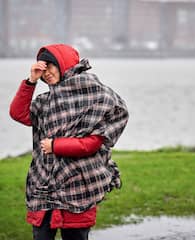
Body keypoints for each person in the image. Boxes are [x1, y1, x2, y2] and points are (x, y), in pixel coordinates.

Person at [9, 44, 129, 240]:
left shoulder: (95, 94)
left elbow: (92, 144)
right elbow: (18, 113)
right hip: (44, 185)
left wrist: (55, 145)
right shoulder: (46, 101)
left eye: (51, 66)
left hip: (78, 186)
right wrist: (31, 81)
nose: (46, 73)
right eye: (43, 69)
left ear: (63, 64)